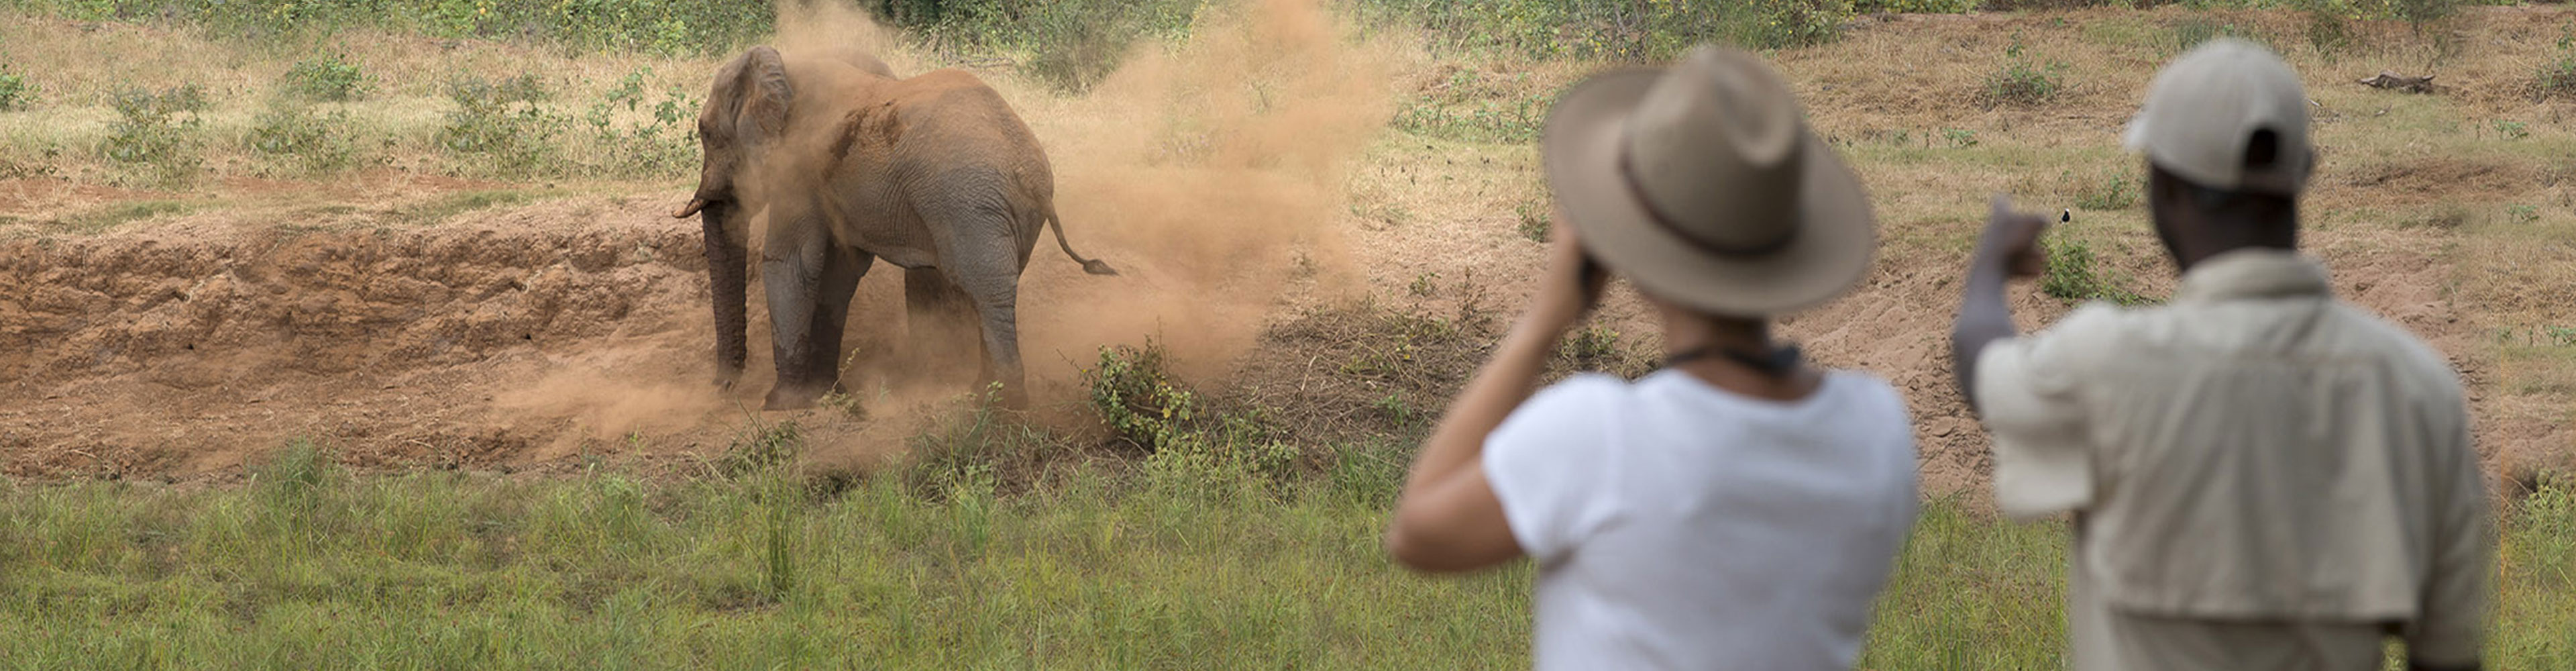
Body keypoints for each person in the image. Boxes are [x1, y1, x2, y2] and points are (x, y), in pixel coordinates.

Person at [1951, 39, 2491, 671]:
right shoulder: (2418, 387)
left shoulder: (2107, 359)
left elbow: (1980, 363)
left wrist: (1988, 268)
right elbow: (2452, 653)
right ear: (2305, 173)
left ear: (2164, 186)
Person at [1384, 46, 1918, 670]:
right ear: (1787, 243)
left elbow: (1418, 533)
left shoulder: (1602, 434)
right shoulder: (1877, 429)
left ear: (1629, 250)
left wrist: (1541, 324)